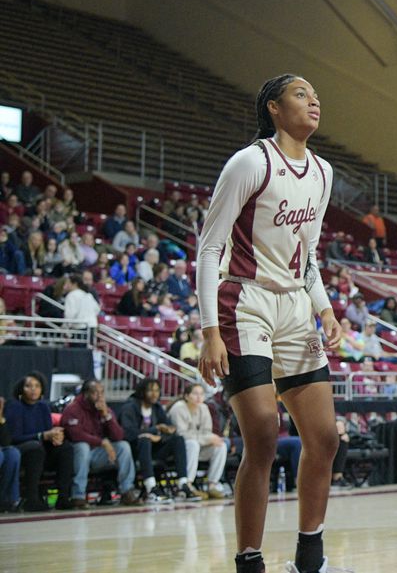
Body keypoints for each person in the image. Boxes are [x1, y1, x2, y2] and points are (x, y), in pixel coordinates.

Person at [195, 74, 345, 573]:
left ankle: (310, 553)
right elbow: (209, 246)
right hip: (246, 300)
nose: (314, 99)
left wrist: (324, 309)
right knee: (261, 429)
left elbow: (309, 258)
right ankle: (249, 558)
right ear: (274, 108)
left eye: (315, 93)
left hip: (296, 308)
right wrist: (209, 330)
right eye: (302, 93)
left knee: (324, 437)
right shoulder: (250, 162)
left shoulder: (323, 172)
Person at [62, 379, 143, 508]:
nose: (99, 396)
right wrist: (102, 442)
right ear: (85, 394)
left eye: (101, 392)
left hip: (97, 454)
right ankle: (78, 496)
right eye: (95, 393)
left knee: (123, 446)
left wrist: (106, 416)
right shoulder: (73, 409)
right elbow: (75, 435)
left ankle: (127, 491)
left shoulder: (104, 408)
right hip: (75, 454)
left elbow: (119, 436)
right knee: (82, 447)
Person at [117, 378, 193, 503]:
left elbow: (168, 427)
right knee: (145, 440)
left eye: (157, 391)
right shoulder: (129, 407)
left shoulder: (157, 407)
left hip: (154, 449)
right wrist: (153, 430)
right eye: (150, 390)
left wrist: (165, 433)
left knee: (178, 439)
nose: (154, 394)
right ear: (142, 392)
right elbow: (128, 433)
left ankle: (183, 484)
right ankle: (150, 487)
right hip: (134, 450)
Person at [9, 372, 73, 510]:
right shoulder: (15, 406)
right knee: (35, 447)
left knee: (65, 448)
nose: (33, 389)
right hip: (21, 450)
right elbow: (14, 437)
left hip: (41, 448)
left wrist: (56, 437)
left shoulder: (43, 407)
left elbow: (48, 432)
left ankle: (63, 497)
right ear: (21, 389)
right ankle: (31, 499)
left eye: (37, 386)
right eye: (28, 386)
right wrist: (41, 436)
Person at [170, 383, 231, 498]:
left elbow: (207, 432)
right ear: (187, 396)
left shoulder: (204, 408)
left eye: (201, 394)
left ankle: (212, 485)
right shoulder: (178, 408)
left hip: (198, 448)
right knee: (193, 444)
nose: (199, 397)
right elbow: (181, 434)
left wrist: (210, 439)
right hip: (179, 450)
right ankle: (188, 484)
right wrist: (207, 439)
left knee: (220, 445)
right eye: (195, 394)